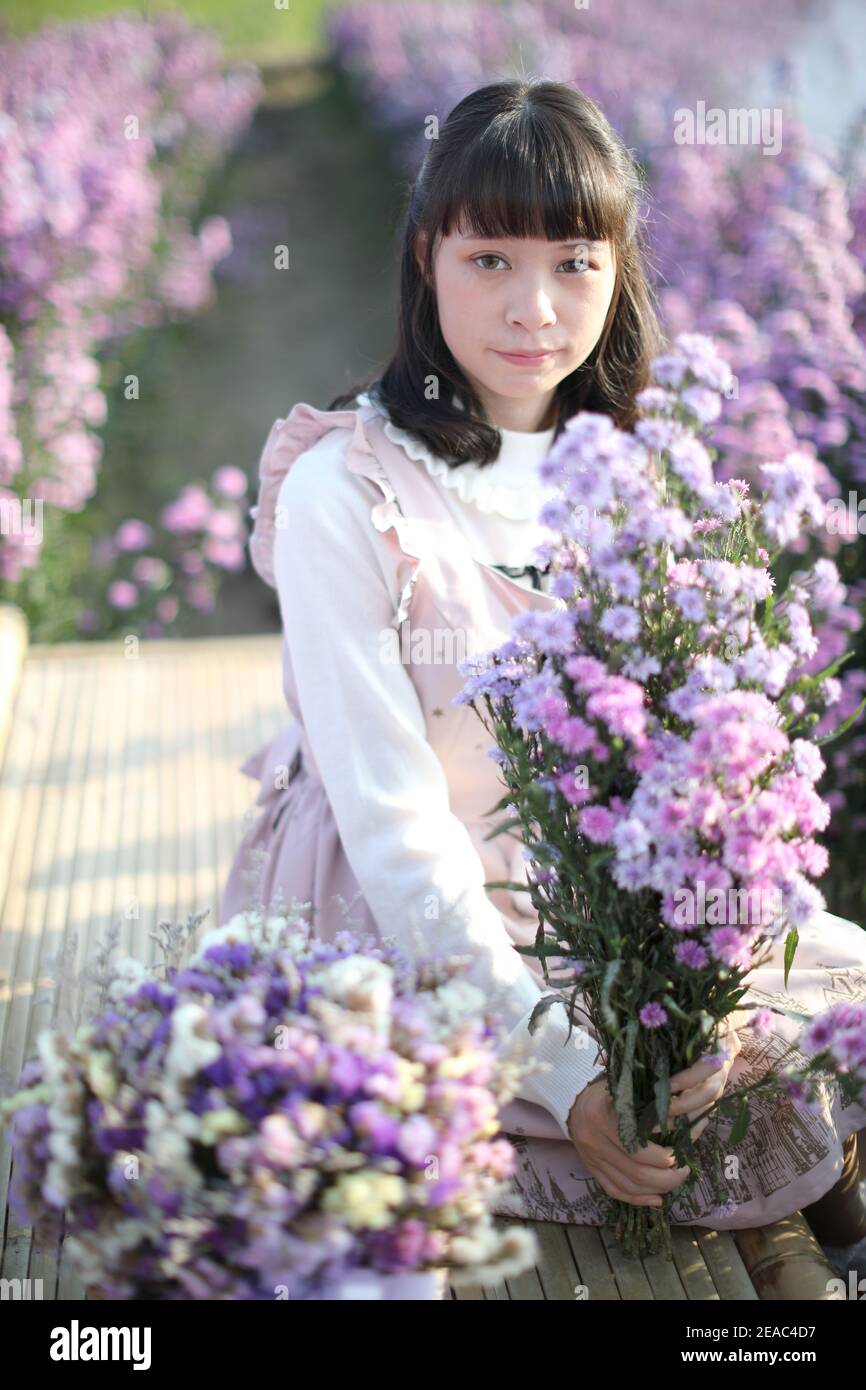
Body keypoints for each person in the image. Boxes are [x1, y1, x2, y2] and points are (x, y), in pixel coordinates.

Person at [220, 79, 866, 1264]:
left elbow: (692, 781)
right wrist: (568, 1066)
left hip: (608, 904)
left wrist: (709, 954)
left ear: (618, 269)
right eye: (489, 260)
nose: (533, 307)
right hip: (415, 911)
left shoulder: (632, 462)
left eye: (575, 260)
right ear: (426, 259)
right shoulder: (344, 493)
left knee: (798, 1030)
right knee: (643, 1135)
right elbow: (396, 829)